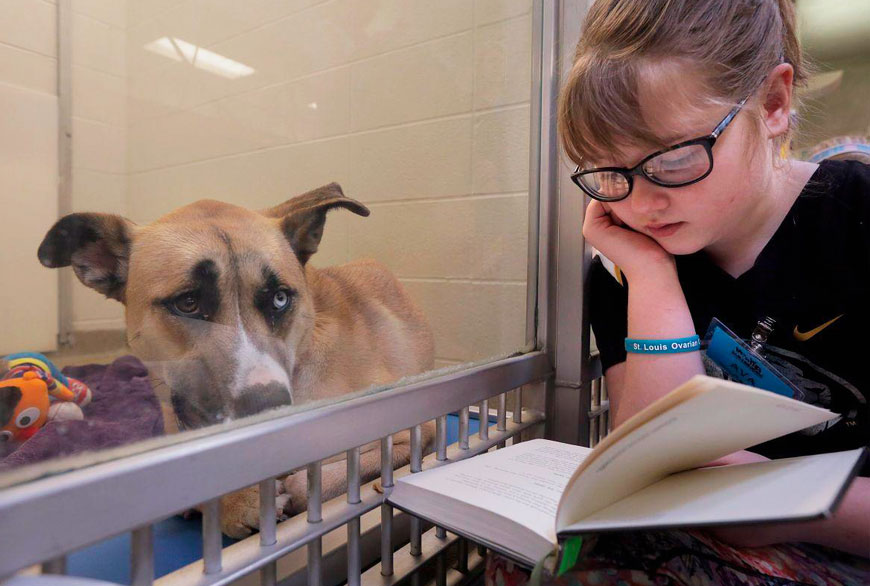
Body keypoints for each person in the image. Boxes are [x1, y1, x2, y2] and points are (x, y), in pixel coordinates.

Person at [486, 1, 869, 584]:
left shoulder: (857, 216)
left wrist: (774, 504)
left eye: (675, 159)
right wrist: (652, 276)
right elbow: (648, 469)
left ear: (772, 103)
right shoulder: (625, 269)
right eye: (609, 173)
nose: (639, 205)